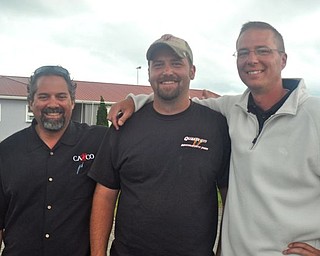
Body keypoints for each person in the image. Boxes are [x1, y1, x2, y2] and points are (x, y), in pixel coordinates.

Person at [107, 22, 320, 256]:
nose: (252, 59)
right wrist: (133, 100)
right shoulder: (232, 108)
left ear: (283, 59)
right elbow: (177, 102)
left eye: (263, 50)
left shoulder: (315, 114)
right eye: (243, 53)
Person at [88, 34, 231, 256]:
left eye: (176, 63)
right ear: (149, 73)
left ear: (192, 71)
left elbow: (230, 197)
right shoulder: (123, 124)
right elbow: (105, 194)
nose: (167, 71)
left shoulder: (216, 126)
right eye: (158, 65)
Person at [0, 65, 107, 256]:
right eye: (43, 97)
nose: (53, 103)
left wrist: (133, 101)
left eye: (61, 96)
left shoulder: (98, 141)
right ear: (30, 103)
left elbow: (141, 127)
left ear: (72, 102)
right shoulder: (6, 151)